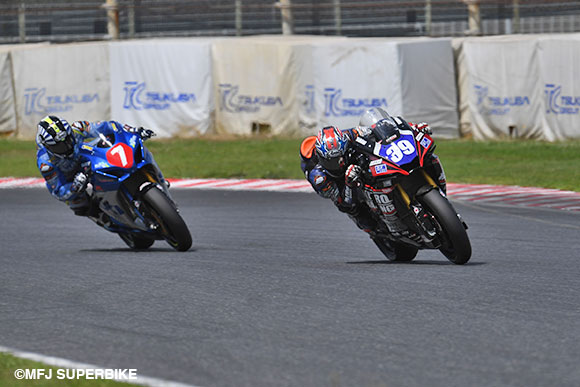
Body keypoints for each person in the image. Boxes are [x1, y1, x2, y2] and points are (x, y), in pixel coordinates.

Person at [299, 107, 441, 236]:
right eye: (332, 161)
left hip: (354, 163)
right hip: (339, 182)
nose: (339, 163)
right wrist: (348, 183)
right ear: (323, 159)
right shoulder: (319, 177)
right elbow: (344, 202)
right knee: (355, 211)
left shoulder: (348, 136)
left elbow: (380, 129)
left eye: (340, 158)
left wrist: (413, 129)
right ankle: (377, 232)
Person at [35, 115, 156, 221]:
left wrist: (132, 131)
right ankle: (104, 218)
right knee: (80, 204)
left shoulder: (78, 128)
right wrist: (74, 187)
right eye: (60, 146)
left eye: (68, 139)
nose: (67, 146)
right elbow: (57, 190)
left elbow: (109, 126)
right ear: (48, 147)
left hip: (87, 159)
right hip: (71, 176)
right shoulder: (46, 163)